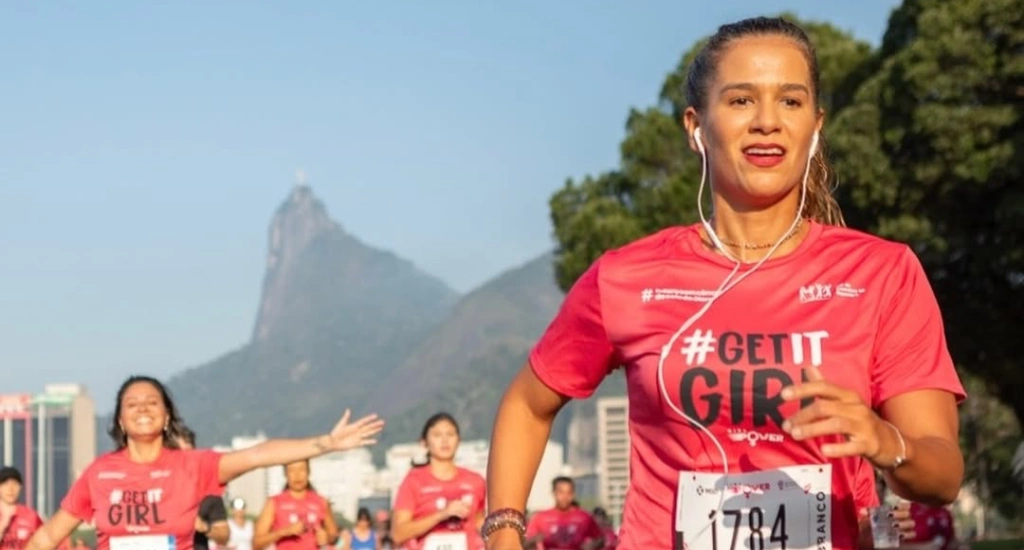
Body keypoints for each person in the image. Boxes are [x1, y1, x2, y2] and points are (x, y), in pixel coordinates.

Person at [482, 16, 965, 550]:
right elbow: (527, 404)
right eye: (740, 101)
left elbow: (942, 476)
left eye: (790, 101)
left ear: (816, 125)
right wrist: (503, 531)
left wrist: (883, 440)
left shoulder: (881, 273)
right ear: (696, 127)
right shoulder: (626, 276)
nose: (767, 122)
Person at [24, 375, 383, 550]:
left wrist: (326, 443)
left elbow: (259, 454)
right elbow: (48, 537)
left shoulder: (193, 465)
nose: (143, 408)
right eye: (131, 404)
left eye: (153, 402)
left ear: (167, 418)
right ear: (120, 421)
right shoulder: (100, 472)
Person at [390, 413, 486, 550]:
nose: (445, 440)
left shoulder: (476, 481)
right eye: (437, 435)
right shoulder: (413, 481)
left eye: (450, 434)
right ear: (424, 442)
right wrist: (441, 515)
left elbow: (480, 523)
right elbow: (398, 534)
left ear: (459, 440)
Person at [253, 459, 339, 550]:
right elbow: (256, 544)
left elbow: (335, 537)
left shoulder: (321, 501)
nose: (297, 475)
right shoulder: (274, 502)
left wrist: (327, 538)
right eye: (292, 470)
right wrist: (284, 532)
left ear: (309, 472)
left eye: (302, 469)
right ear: (285, 474)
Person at [176, 427, 230, 550]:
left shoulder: (209, 491)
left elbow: (224, 536)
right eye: (178, 454)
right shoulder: (156, 488)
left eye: (188, 455)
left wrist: (204, 527)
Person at [522, 478, 601, 550]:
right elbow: (525, 543)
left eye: (569, 492)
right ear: (554, 493)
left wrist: (592, 546)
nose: (565, 496)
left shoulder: (584, 517)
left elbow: (600, 539)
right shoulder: (541, 517)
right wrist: (534, 540)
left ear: (573, 494)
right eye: (561, 492)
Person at [0, 466, 42, 550]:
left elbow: (46, 541)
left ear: (20, 487)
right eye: (6, 484)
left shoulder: (31, 516)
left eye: (15, 484)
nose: (10, 489)